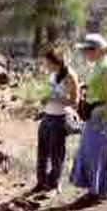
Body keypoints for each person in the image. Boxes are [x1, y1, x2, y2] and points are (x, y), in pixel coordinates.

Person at [70, 33, 107, 202]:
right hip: (94, 114)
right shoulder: (99, 65)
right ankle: (97, 191)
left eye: (88, 50)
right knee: (91, 153)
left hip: (101, 116)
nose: (86, 54)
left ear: (99, 50)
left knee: (96, 155)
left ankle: (96, 192)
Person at [33, 50, 80, 194]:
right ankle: (41, 183)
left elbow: (74, 101)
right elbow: (53, 93)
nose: (45, 66)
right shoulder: (53, 74)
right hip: (48, 115)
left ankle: (54, 184)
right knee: (42, 152)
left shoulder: (70, 75)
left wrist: (53, 100)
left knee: (56, 154)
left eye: (48, 63)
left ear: (56, 62)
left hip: (60, 118)